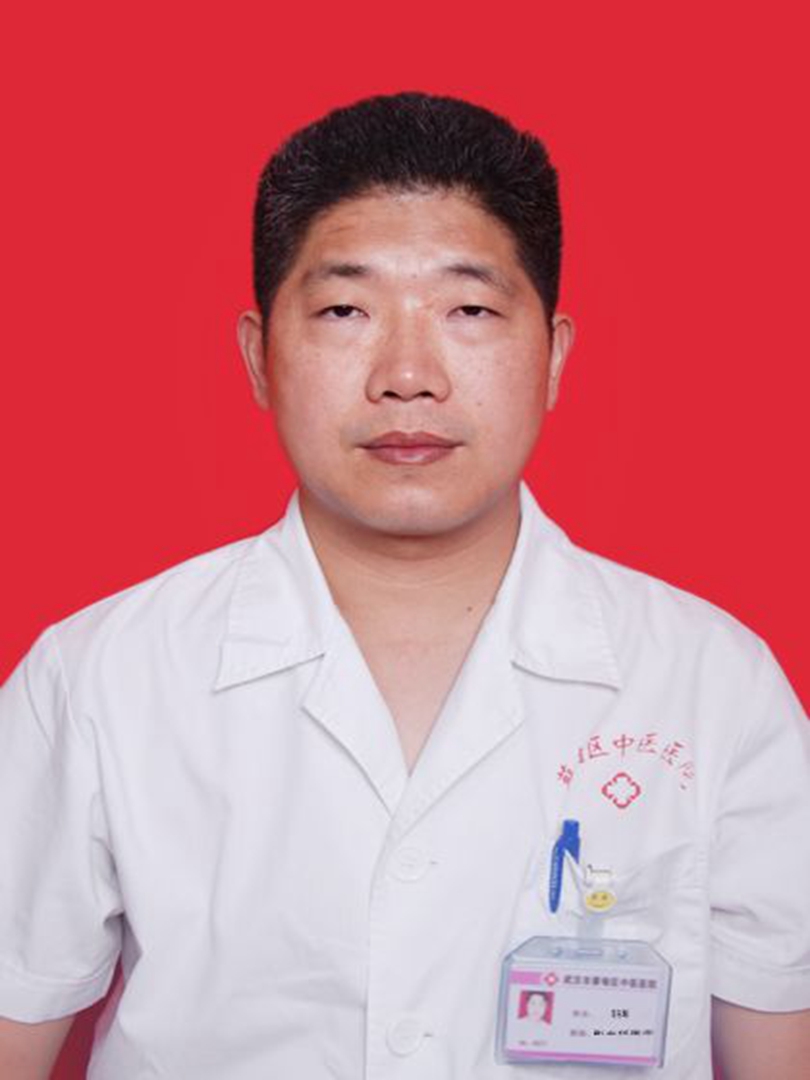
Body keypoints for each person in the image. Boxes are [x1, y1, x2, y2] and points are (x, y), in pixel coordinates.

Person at [0, 90, 808, 1080]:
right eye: (346, 310)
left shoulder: (712, 685)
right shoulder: (101, 679)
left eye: (470, 311)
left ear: (553, 356)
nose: (409, 375)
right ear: (259, 358)